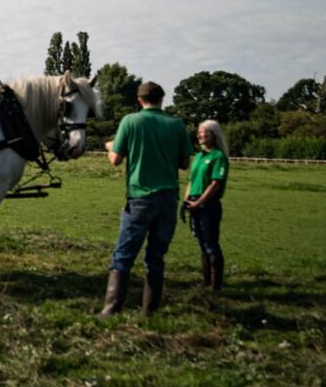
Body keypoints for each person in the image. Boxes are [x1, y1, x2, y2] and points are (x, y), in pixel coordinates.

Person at [98, 81, 192, 317]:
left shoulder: (131, 121)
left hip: (140, 197)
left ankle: (111, 309)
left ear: (139, 100)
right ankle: (149, 311)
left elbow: (115, 160)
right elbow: (184, 163)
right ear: (162, 99)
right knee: (156, 257)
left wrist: (109, 145)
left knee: (123, 255)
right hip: (169, 197)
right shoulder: (177, 124)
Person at [186, 119, 229, 291]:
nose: (201, 135)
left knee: (211, 242)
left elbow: (215, 184)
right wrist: (186, 200)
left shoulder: (218, 157)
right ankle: (206, 280)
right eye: (199, 131)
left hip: (208, 204)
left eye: (205, 132)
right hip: (195, 201)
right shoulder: (198, 156)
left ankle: (215, 284)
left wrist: (199, 202)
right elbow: (191, 180)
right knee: (201, 242)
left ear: (214, 134)